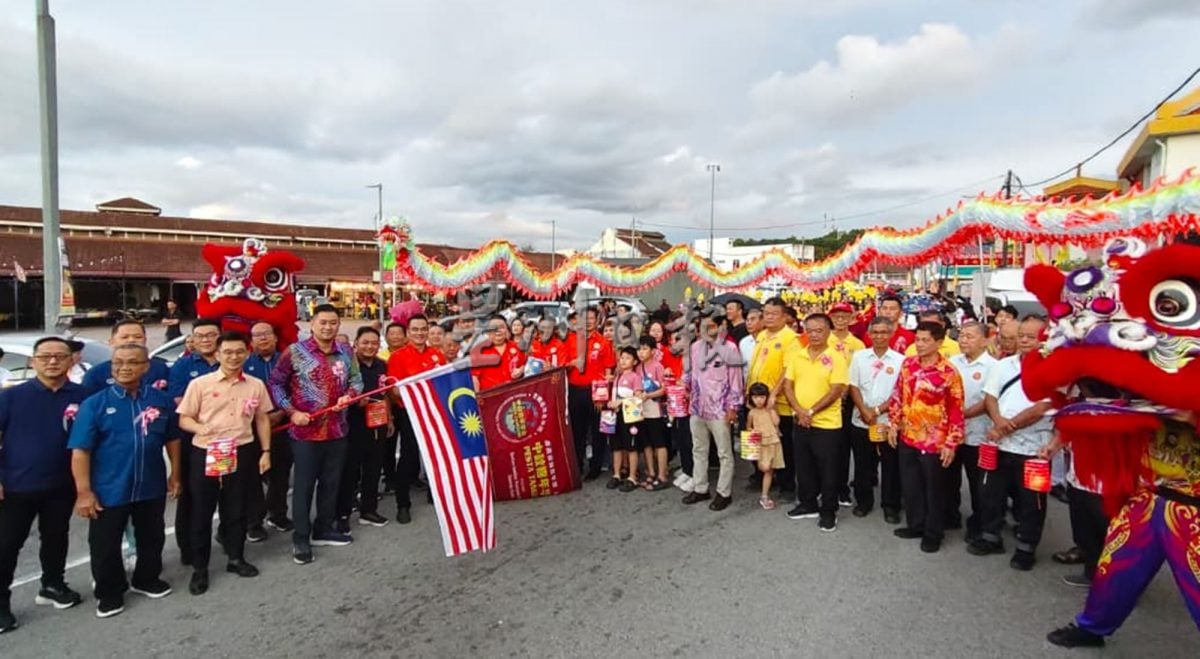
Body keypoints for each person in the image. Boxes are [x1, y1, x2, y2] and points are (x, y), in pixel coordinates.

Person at [68, 344, 181, 619]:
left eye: (132, 362)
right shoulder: (95, 404)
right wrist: (84, 492)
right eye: (118, 362)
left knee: (151, 537)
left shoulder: (159, 399)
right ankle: (109, 592)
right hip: (109, 488)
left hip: (150, 485)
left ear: (146, 367)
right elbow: (80, 451)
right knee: (105, 545)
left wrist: (175, 474)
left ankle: (146, 579)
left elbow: (172, 439)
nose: (124, 367)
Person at [0, 337, 89, 633]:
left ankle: (52, 585)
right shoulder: (11, 396)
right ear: (32, 361)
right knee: (7, 544)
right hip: (16, 484)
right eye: (45, 356)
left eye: (60, 356)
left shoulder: (83, 396)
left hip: (62, 484)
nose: (52, 361)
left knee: (55, 537)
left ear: (71, 361)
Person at [176, 331, 273, 595]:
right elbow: (184, 418)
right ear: (218, 354)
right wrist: (200, 428)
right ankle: (200, 568)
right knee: (201, 511)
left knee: (237, 509)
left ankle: (236, 558)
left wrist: (265, 451)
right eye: (228, 352)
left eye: (239, 351)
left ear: (247, 353)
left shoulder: (255, 384)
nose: (233, 357)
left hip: (242, 451)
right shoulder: (200, 384)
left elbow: (262, 418)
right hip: (207, 452)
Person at [269, 304, 362, 565]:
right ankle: (301, 538)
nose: (328, 327)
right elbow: (276, 383)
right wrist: (291, 411)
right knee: (304, 486)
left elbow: (356, 381)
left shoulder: (346, 351)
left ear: (338, 324)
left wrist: (349, 396)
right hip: (305, 433)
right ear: (312, 324)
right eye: (323, 322)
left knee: (331, 483)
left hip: (337, 429)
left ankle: (323, 528)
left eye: (333, 322)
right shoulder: (295, 352)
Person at [968, 315, 1054, 571]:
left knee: (1031, 500)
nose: (1024, 340)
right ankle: (991, 536)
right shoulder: (1003, 365)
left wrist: (1007, 426)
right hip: (998, 444)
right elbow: (990, 397)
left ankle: (1027, 547)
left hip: (1034, 447)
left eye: (1030, 336)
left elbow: (1043, 407)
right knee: (991, 492)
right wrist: (998, 421)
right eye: (1021, 336)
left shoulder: (1053, 367)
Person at [883, 321, 965, 553]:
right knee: (911, 486)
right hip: (908, 436)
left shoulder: (949, 372)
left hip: (934, 442)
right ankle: (916, 525)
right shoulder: (908, 364)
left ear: (939, 342)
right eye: (917, 339)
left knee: (934, 489)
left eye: (925, 340)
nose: (919, 344)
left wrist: (951, 443)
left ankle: (933, 533)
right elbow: (897, 395)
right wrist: (893, 424)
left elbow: (956, 410)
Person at [781, 314, 849, 532]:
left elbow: (836, 390)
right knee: (804, 466)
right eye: (809, 330)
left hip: (827, 424)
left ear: (828, 331)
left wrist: (810, 411)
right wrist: (799, 411)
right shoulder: (798, 355)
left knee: (828, 470)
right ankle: (808, 503)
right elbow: (788, 385)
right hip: (800, 420)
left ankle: (829, 511)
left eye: (819, 330)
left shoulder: (836, 357)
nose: (814, 335)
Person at [167, 319, 222, 567]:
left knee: (227, 494)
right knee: (191, 498)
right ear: (192, 339)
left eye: (211, 335)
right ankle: (188, 548)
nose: (206, 340)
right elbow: (179, 402)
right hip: (194, 442)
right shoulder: (182, 366)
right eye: (200, 336)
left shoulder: (231, 360)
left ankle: (229, 539)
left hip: (227, 442)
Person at [386, 314, 447, 524]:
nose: (420, 333)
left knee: (435, 454)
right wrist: (418, 391)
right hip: (410, 413)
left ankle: (435, 494)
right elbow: (394, 390)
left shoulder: (437, 355)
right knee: (408, 457)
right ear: (408, 332)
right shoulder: (398, 357)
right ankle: (403, 504)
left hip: (434, 411)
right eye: (415, 329)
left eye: (423, 329)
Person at [682, 312, 743, 511]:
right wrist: (684, 386)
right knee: (699, 449)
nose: (705, 331)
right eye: (701, 327)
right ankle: (701, 488)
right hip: (697, 407)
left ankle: (724, 493)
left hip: (720, 410)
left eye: (709, 326)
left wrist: (733, 407)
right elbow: (690, 373)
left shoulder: (730, 348)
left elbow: (736, 380)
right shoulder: (695, 347)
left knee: (724, 452)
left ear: (719, 326)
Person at [847, 317, 905, 521]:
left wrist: (878, 410)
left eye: (884, 332)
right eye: (875, 332)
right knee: (862, 464)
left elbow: (900, 392)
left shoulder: (900, 360)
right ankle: (863, 502)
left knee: (891, 466)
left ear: (891, 334)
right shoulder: (859, 357)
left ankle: (891, 505)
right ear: (869, 334)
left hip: (888, 421)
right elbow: (853, 386)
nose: (879, 336)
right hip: (861, 419)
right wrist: (864, 410)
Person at [337, 327, 392, 531]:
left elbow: (385, 393)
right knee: (349, 471)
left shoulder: (382, 365)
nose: (370, 346)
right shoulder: (346, 366)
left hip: (377, 423)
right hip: (352, 424)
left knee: (373, 468)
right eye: (365, 343)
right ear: (356, 344)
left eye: (374, 343)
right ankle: (342, 514)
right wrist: (354, 402)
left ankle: (369, 510)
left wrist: (389, 418)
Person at [947, 321, 997, 542]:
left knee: (979, 482)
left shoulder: (993, 367)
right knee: (949, 477)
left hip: (978, 432)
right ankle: (950, 515)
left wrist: (961, 415)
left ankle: (979, 523)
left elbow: (989, 400)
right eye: (962, 335)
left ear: (985, 341)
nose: (964, 340)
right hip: (951, 433)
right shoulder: (951, 362)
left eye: (970, 336)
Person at [747, 298, 801, 495]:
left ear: (784, 316)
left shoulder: (791, 338)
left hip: (778, 403)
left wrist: (774, 394)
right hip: (756, 400)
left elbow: (788, 370)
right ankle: (762, 476)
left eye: (774, 314)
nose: (769, 317)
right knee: (756, 439)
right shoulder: (762, 335)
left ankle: (787, 485)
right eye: (766, 313)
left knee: (783, 445)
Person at [243, 321, 291, 540]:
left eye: (266, 334)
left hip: (283, 425)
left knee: (280, 475)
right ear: (251, 341)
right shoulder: (243, 364)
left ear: (275, 337)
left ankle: (278, 514)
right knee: (253, 477)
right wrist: (259, 419)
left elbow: (297, 389)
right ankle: (254, 522)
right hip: (251, 429)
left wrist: (281, 413)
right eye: (257, 335)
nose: (263, 338)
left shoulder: (288, 361)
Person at [565, 308, 616, 480]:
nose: (587, 321)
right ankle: (577, 466)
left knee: (597, 431)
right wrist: (571, 363)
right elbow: (563, 364)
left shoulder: (603, 342)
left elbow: (608, 369)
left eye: (591, 318)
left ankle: (595, 467)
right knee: (577, 431)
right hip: (575, 390)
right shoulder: (571, 340)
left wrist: (603, 395)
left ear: (597, 321)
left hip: (596, 392)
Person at [829, 302, 866, 507]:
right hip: (828, 397)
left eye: (845, 316)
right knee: (831, 446)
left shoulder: (858, 344)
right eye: (836, 316)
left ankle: (843, 489)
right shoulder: (826, 339)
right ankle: (829, 487)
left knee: (846, 446)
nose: (840, 320)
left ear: (851, 319)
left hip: (851, 398)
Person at [82, 319, 171, 396]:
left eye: (138, 337)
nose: (131, 340)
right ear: (111, 342)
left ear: (145, 340)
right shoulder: (96, 374)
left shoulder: (160, 368)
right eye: (125, 337)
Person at [606, 347, 643, 492]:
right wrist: (610, 402)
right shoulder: (617, 377)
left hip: (630, 416)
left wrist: (620, 402)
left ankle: (632, 476)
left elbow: (638, 396)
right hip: (616, 415)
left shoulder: (635, 377)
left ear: (635, 362)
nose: (623, 361)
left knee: (631, 447)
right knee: (617, 446)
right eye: (622, 358)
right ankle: (616, 474)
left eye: (627, 358)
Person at [635, 336, 669, 490]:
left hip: (655, 409)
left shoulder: (658, 367)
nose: (641, 352)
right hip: (641, 410)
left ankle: (662, 475)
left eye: (644, 349)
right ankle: (651, 472)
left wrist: (648, 395)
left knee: (659, 443)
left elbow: (664, 389)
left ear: (653, 351)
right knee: (647, 444)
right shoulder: (637, 368)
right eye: (639, 349)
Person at [746, 382, 784, 510]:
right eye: (755, 397)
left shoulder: (770, 410)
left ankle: (764, 496)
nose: (759, 400)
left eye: (762, 397)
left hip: (773, 442)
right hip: (760, 443)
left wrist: (771, 410)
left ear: (767, 397)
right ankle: (765, 494)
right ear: (751, 398)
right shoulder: (752, 413)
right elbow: (748, 427)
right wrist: (752, 431)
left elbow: (777, 422)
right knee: (765, 467)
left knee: (769, 470)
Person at [473, 315, 526, 391]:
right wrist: (478, 396)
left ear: (507, 330)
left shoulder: (517, 347)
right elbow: (474, 378)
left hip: (514, 394)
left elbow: (524, 365)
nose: (498, 330)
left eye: (501, 327)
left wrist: (521, 370)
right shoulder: (479, 351)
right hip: (492, 395)